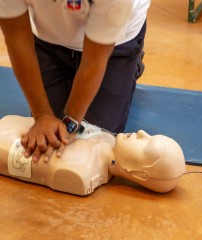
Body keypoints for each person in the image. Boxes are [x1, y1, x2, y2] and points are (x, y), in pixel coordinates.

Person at [0, 0, 151, 162]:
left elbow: (93, 61)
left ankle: (130, 67)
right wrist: (42, 114)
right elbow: (17, 36)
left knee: (94, 140)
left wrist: (70, 123)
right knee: (49, 137)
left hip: (115, 45)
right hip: (47, 37)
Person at [0, 115, 186, 195]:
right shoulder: (107, 138)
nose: (142, 132)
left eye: (146, 145)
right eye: (150, 135)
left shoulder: (82, 172)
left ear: (139, 174)